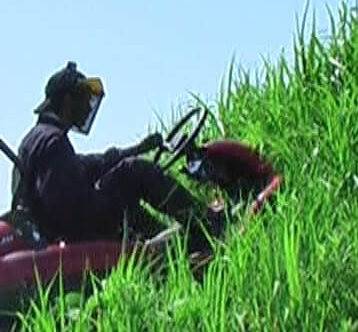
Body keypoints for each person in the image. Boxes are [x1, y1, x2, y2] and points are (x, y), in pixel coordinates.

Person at [12, 61, 226, 246]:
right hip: (77, 227)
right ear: (68, 102)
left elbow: (89, 166)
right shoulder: (53, 142)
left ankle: (178, 243)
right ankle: (207, 222)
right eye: (84, 99)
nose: (88, 107)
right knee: (133, 172)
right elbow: (66, 204)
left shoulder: (36, 139)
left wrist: (136, 149)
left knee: (124, 194)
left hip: (66, 224)